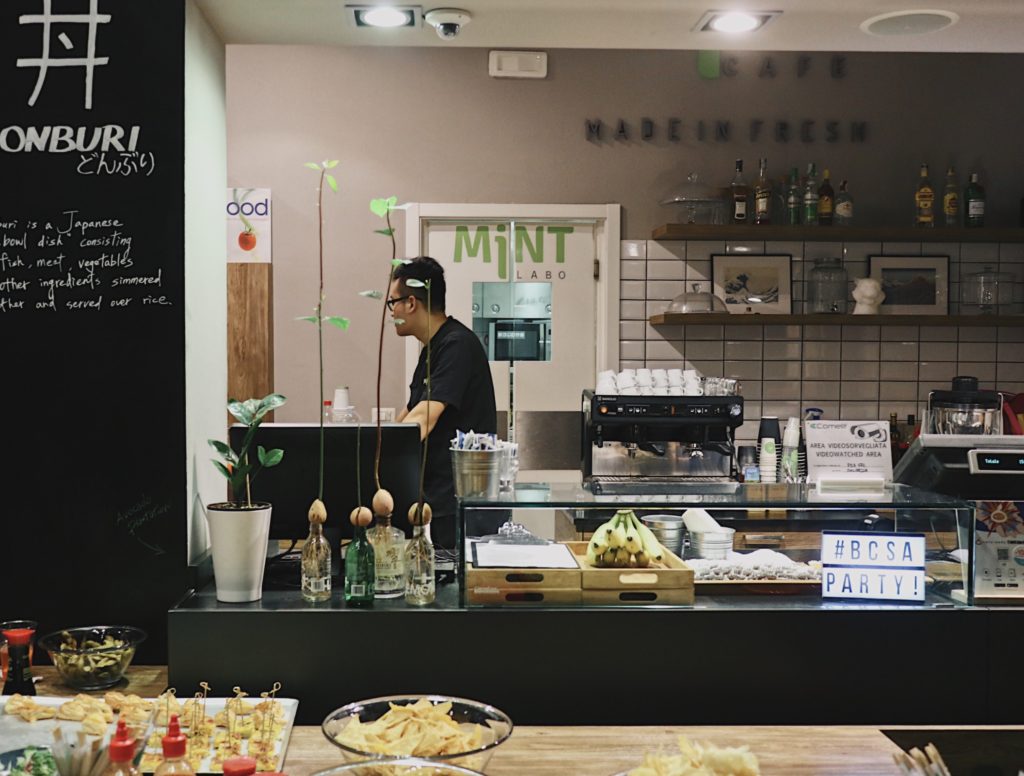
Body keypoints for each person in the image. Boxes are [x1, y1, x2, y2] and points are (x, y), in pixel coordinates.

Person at [391, 256, 497, 549]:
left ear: (411, 303)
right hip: (436, 497)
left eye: (393, 302)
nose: (392, 311)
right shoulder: (432, 349)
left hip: (457, 503)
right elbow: (410, 411)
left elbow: (424, 418)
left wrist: (383, 457)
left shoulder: (456, 345)